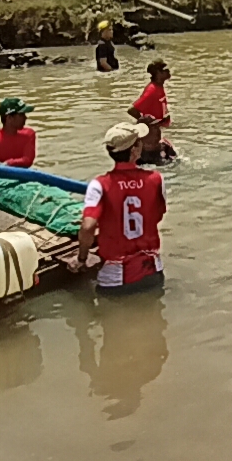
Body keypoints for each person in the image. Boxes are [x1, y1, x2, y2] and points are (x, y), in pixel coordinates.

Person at [68, 122, 167, 295]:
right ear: (135, 150)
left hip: (114, 279)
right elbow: (158, 215)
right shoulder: (156, 179)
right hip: (152, 271)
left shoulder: (99, 185)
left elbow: (88, 226)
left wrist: (81, 258)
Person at [129, 60, 177, 162]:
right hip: (148, 144)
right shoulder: (152, 90)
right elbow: (132, 110)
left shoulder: (159, 87)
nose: (168, 71)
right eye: (165, 69)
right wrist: (147, 122)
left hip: (154, 138)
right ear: (158, 73)